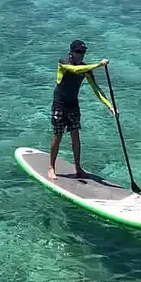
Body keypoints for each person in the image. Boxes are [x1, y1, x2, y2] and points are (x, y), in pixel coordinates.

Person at [49, 39, 115, 180]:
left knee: (75, 136)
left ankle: (78, 168)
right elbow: (74, 70)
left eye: (83, 52)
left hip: (73, 104)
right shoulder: (63, 62)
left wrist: (109, 106)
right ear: (72, 52)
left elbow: (97, 90)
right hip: (59, 104)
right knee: (58, 135)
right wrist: (98, 65)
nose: (81, 55)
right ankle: (51, 167)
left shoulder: (86, 71)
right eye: (79, 52)